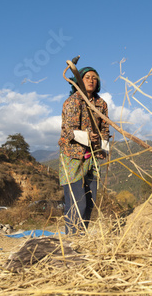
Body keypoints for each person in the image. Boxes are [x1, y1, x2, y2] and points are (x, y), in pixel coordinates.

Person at [59, 66, 110, 235]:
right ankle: (72, 238)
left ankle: (81, 235)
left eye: (94, 78)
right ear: (80, 81)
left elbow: (105, 129)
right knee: (76, 201)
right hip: (73, 157)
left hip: (93, 157)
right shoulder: (73, 101)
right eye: (87, 77)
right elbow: (69, 131)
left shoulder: (101, 104)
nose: (91, 80)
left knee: (90, 201)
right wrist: (88, 137)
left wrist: (103, 148)